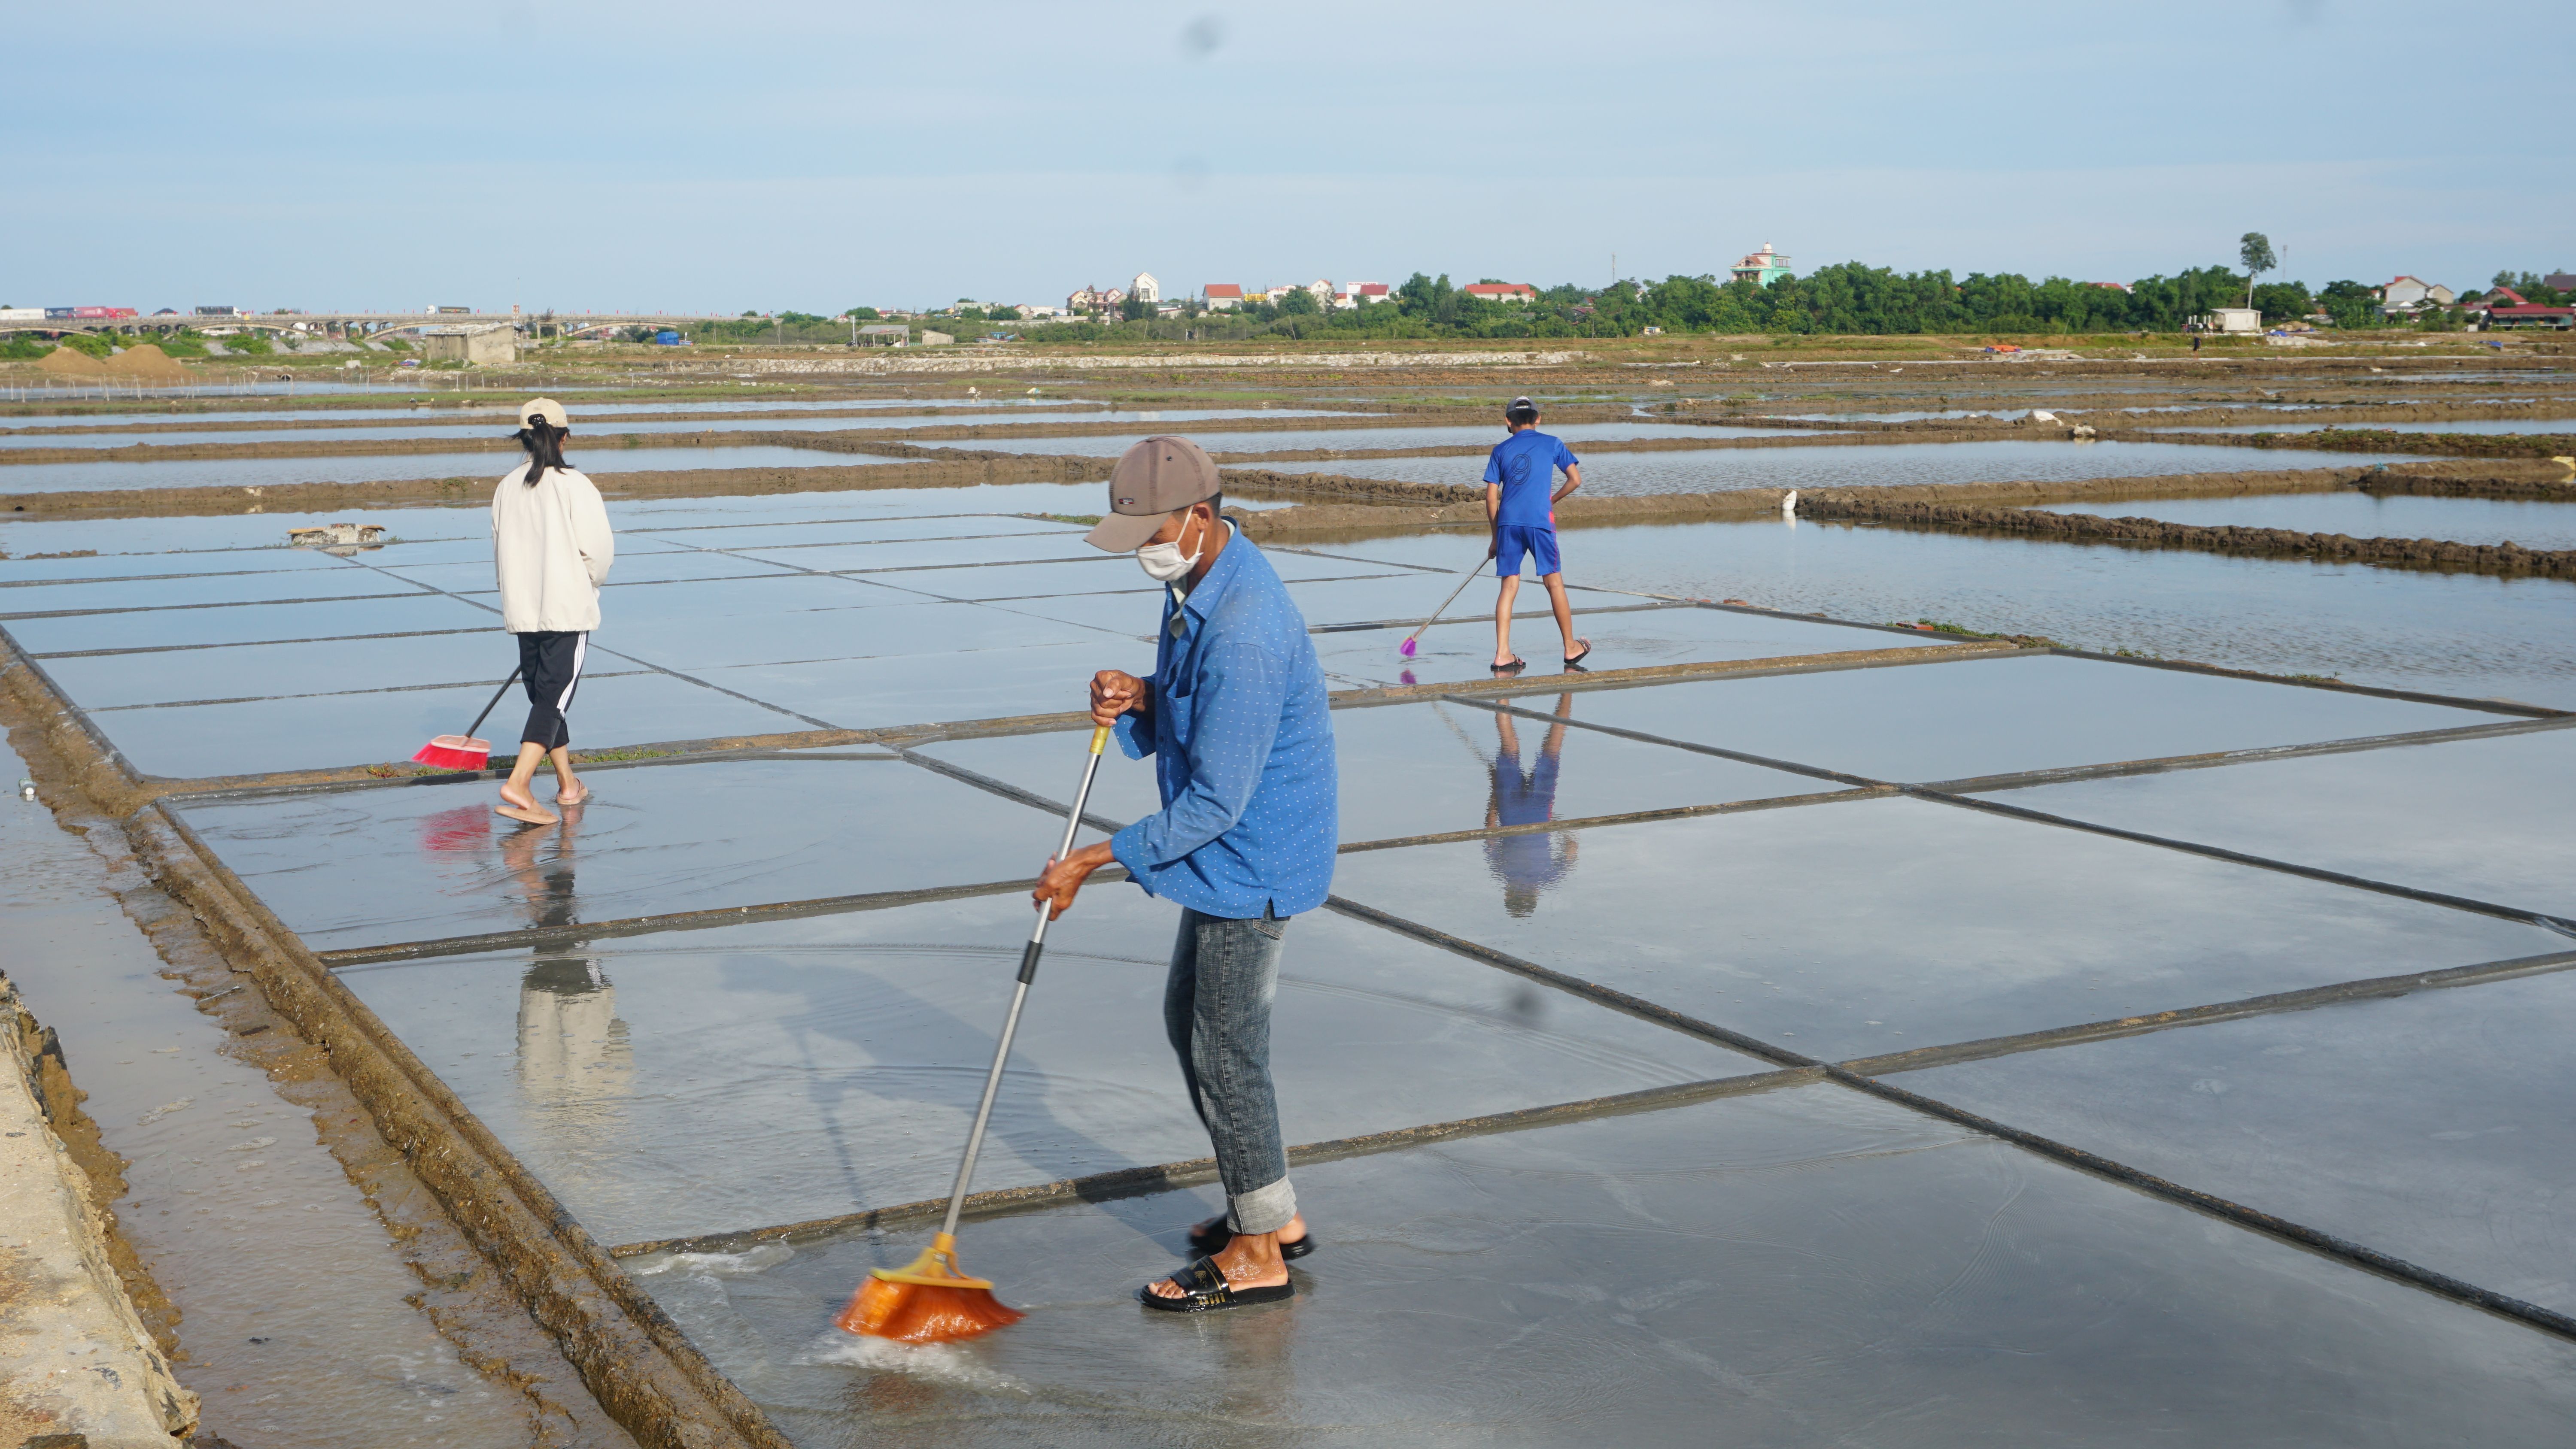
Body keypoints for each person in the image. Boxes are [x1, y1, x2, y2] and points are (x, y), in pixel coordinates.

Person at [1032, 436, 1337, 1314]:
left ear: (1198, 516)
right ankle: (1270, 1212)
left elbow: (1214, 803)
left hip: (1252, 859)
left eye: (1150, 529)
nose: (1141, 547)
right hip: (1227, 856)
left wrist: (1089, 860)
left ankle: (1256, 1252)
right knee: (1194, 1026)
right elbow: (1197, 709)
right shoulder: (1201, 580)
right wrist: (1144, 693)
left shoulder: (1245, 627)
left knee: (1225, 1050)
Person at [490, 397, 613, 825]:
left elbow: (499, 550)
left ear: (524, 438)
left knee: (545, 699)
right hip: (567, 609)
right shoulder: (575, 485)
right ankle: (519, 784)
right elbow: (598, 554)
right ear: (565, 436)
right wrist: (587, 583)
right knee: (553, 701)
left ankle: (567, 785)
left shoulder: (506, 487)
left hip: (524, 609)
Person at [1484, 396, 1590, 673]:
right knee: (1554, 583)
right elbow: (1576, 480)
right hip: (1540, 522)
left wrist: (1495, 537)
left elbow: (1491, 497)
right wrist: (1551, 500)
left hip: (1508, 524)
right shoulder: (1553, 443)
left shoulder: (1500, 450)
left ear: (1508, 421)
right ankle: (1570, 646)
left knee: (1509, 587)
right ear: (1538, 418)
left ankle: (1502, 654)